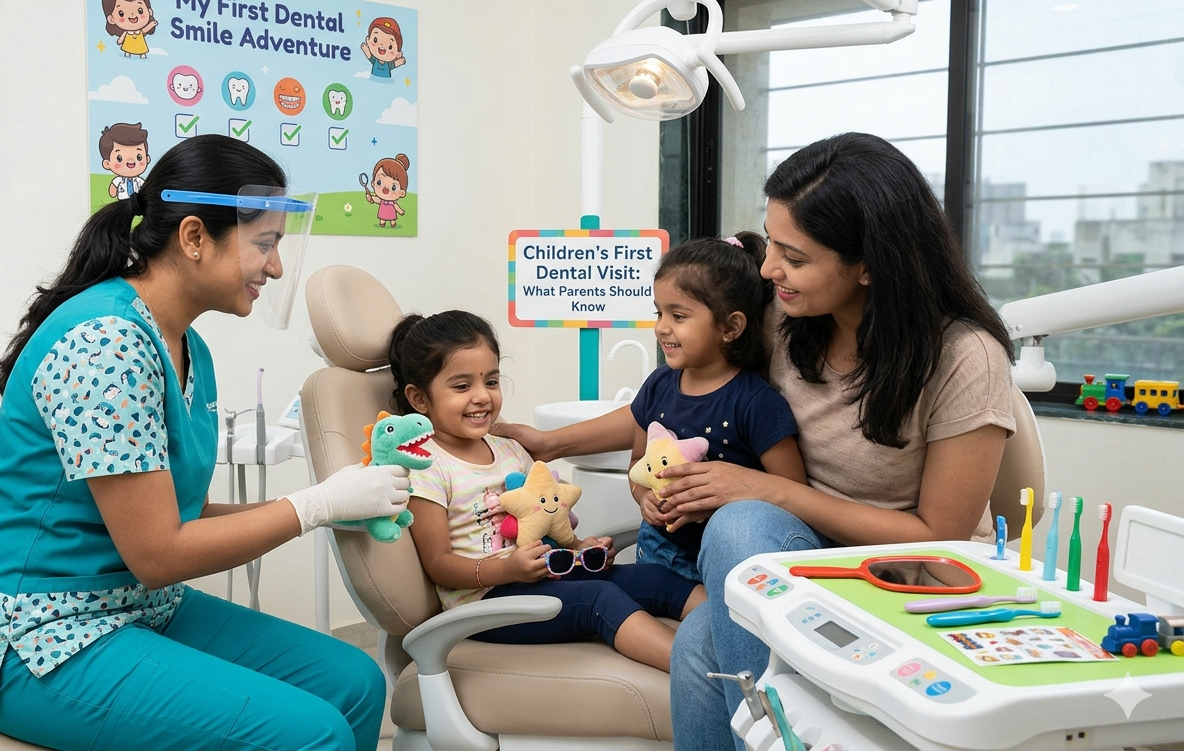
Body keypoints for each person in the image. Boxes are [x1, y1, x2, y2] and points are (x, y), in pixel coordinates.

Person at [494, 132, 1016, 749]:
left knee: (737, 531)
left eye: (794, 259)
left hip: (899, 574)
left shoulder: (964, 358)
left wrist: (765, 491)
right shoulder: (782, 317)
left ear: (871, 263)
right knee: (698, 637)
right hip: (794, 556)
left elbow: (942, 540)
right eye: (772, 247)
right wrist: (565, 449)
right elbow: (672, 402)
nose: (769, 271)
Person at [0, 134, 411, 751]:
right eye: (265, 244)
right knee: (310, 734)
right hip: (38, 635)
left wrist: (331, 500)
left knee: (353, 683)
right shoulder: (106, 345)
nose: (275, 267)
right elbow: (160, 552)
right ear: (194, 237)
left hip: (138, 607)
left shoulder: (186, 348)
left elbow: (177, 519)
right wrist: (316, 508)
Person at [391, 310, 706, 672]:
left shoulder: (507, 447)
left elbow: (543, 520)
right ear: (419, 398)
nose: (482, 397)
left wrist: (578, 547)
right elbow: (439, 565)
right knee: (598, 599)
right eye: (462, 387)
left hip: (540, 577)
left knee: (658, 579)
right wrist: (506, 571)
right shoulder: (428, 465)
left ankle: (747, 643)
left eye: (491, 382)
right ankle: (703, 677)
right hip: (487, 603)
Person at [627, 232, 804, 583]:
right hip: (655, 551)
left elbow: (792, 497)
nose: (661, 327)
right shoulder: (657, 386)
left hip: (732, 565)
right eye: (659, 312)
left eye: (678, 316)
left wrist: (721, 506)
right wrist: (643, 495)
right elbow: (636, 464)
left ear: (730, 326)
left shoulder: (757, 403)